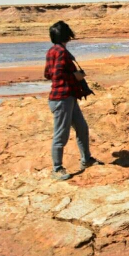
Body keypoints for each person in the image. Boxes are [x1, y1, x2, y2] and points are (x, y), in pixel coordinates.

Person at [44, 21, 100, 180]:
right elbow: (57, 74)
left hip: (66, 97)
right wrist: (76, 76)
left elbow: (48, 74)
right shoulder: (62, 52)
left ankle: (86, 159)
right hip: (63, 98)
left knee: (82, 127)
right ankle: (57, 169)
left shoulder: (51, 51)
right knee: (61, 134)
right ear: (66, 34)